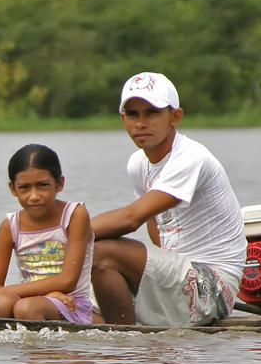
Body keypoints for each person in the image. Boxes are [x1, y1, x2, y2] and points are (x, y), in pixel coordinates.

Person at [90, 72, 247, 326]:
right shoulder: (138, 164)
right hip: (179, 273)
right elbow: (155, 226)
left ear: (175, 117)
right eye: (132, 114)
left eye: (151, 112)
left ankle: (122, 341)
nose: (140, 122)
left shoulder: (191, 156)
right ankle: (117, 333)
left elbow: (132, 218)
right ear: (123, 119)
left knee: (102, 251)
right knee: (67, 302)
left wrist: (64, 232)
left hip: (214, 286)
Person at [0, 144, 95, 323]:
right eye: (25, 187)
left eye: (42, 185)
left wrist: (52, 295)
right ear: (13, 189)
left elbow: (67, 281)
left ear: (59, 183)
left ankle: (41, 352)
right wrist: (47, 293)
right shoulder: (10, 226)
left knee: (27, 307)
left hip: (71, 304)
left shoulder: (74, 215)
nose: (34, 196)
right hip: (28, 300)